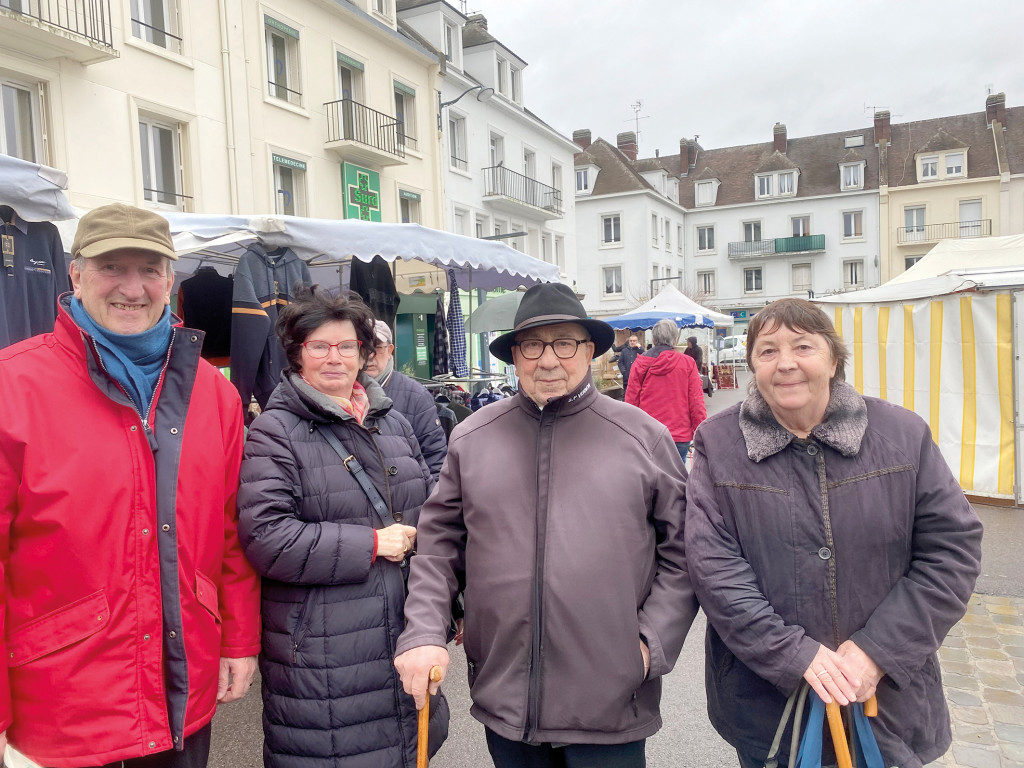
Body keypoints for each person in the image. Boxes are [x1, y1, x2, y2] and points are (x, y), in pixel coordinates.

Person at [394, 282, 697, 768]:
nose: (549, 360)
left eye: (565, 343)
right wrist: (425, 632)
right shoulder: (472, 437)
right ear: (514, 355)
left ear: (590, 350)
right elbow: (438, 546)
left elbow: (684, 554)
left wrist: (646, 646)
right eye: (532, 345)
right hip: (506, 695)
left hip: (609, 702)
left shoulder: (642, 437)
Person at [0, 203, 261, 767]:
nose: (133, 287)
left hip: (181, 697)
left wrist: (237, 640)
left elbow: (229, 528)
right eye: (111, 267)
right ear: (75, 274)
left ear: (171, 279)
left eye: (149, 269)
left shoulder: (213, 395)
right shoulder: (13, 387)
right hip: (64, 710)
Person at [684, 298, 983, 768]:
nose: (786, 363)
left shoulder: (902, 435)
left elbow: (952, 552)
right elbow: (713, 568)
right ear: (752, 367)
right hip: (772, 702)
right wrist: (794, 654)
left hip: (887, 700)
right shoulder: (720, 444)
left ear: (834, 358)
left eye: (803, 346)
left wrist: (877, 651)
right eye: (767, 351)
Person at [237, 287, 448, 768]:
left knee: (407, 750)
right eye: (320, 346)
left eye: (347, 346)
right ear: (298, 354)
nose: (335, 358)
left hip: (401, 632)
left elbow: (430, 508)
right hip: (325, 652)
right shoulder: (275, 431)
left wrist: (446, 602)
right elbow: (266, 538)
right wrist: (372, 543)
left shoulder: (392, 423)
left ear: (364, 354)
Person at [364, 320, 448, 478]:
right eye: (363, 347)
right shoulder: (345, 393)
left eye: (376, 347)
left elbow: (436, 460)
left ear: (390, 351)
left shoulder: (416, 396)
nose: (369, 355)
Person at [625, 319, 707, 463]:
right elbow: (696, 402)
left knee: (648, 481)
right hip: (679, 435)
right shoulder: (687, 363)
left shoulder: (640, 363)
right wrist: (701, 433)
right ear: (675, 340)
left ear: (653, 339)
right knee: (676, 481)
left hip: (648, 435)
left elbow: (631, 402)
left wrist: (629, 433)